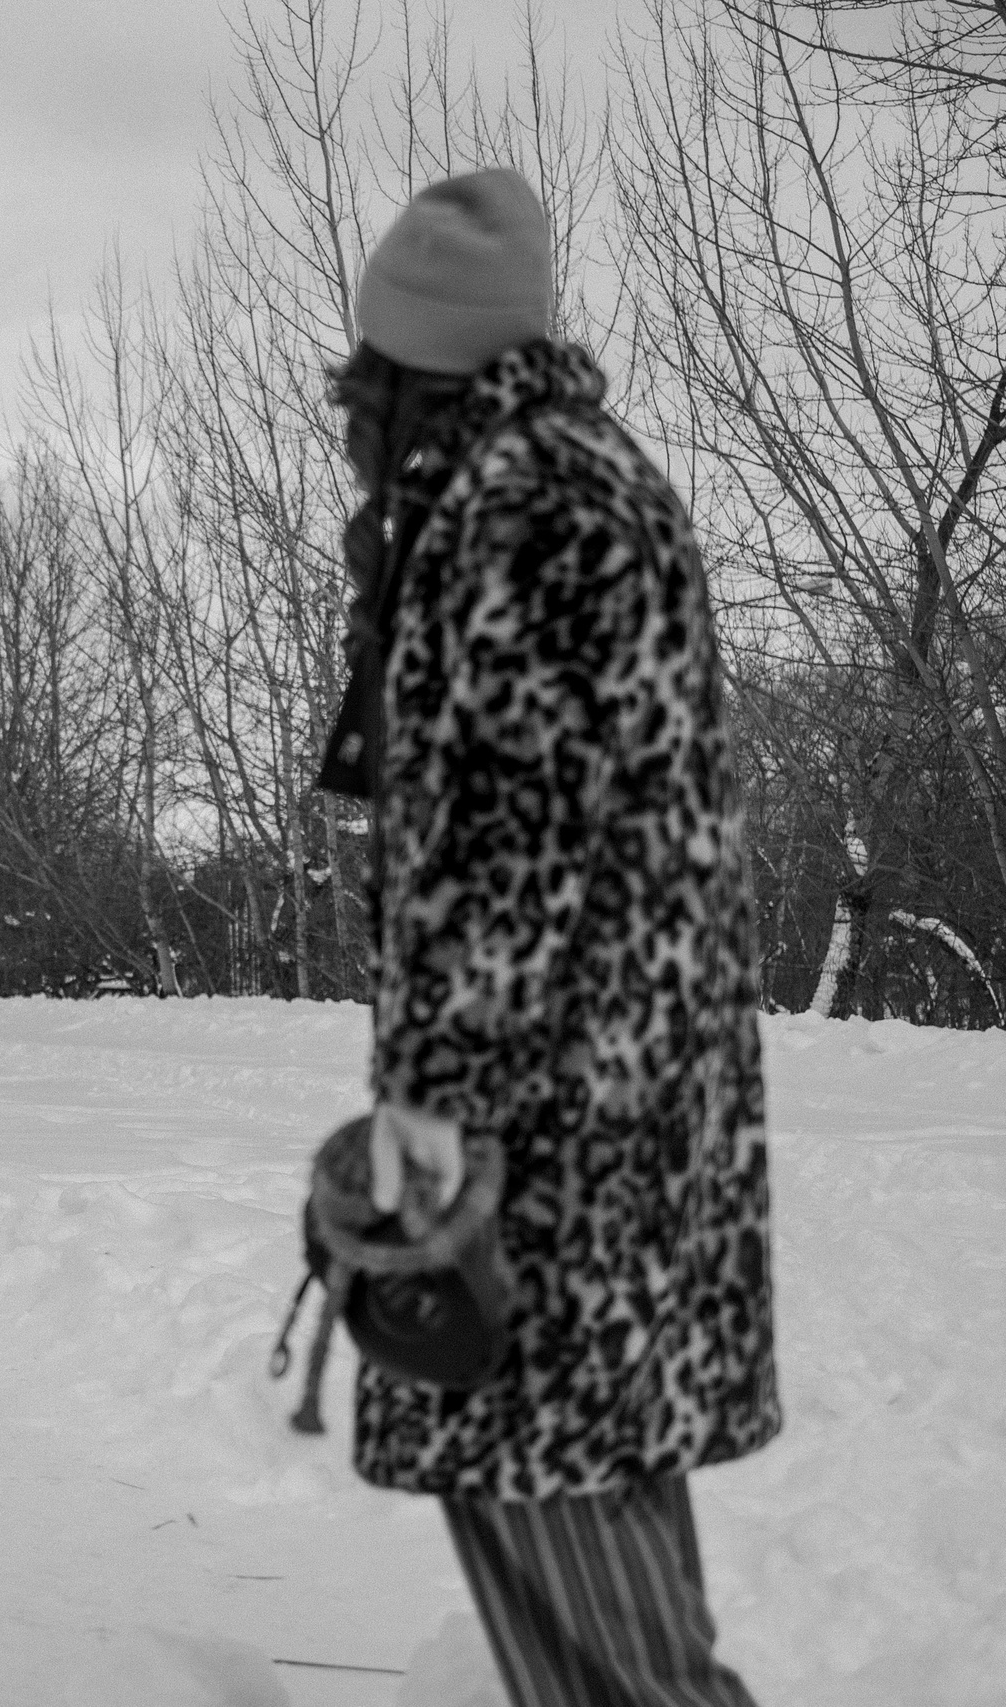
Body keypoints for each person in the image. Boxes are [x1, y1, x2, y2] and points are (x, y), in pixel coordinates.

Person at [323, 168, 779, 1707]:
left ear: (413, 369)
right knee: (591, 1502)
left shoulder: (524, 505)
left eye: (365, 381)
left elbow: (509, 850)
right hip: (611, 1101)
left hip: (552, 1126)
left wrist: (433, 1116)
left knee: (578, 1550)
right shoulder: (562, 478)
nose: (349, 414)